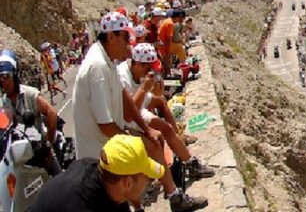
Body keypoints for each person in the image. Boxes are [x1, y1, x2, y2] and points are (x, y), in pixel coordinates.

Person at [73, 11, 206, 212]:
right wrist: (133, 142)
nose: (128, 45)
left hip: (107, 139)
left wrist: (146, 130)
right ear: (111, 36)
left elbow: (124, 98)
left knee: (153, 140)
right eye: (126, 38)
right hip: (98, 149)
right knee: (146, 153)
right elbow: (105, 123)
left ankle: (171, 196)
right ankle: (170, 197)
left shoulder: (107, 61)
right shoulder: (98, 67)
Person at [117, 43, 213, 179]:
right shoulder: (122, 77)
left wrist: (155, 90)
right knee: (157, 138)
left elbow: (148, 95)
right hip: (126, 116)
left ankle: (188, 160)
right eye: (147, 68)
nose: (149, 72)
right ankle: (166, 178)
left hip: (136, 106)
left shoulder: (137, 71)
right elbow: (128, 114)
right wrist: (144, 89)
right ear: (138, 64)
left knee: (165, 121)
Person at [30, 134, 165, 212]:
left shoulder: (102, 173)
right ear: (128, 183)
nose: (148, 182)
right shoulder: (83, 204)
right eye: (147, 179)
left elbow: (122, 201)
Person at [0, 49, 62, 176]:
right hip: (20, 159)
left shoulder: (29, 94)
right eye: (0, 78)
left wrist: (48, 142)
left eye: (6, 76)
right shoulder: (3, 103)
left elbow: (51, 113)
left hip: (40, 153)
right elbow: (3, 131)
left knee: (62, 186)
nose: (3, 81)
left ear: (15, 75)